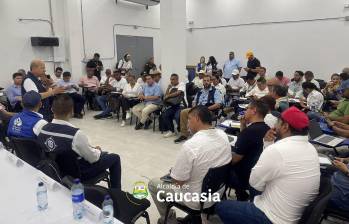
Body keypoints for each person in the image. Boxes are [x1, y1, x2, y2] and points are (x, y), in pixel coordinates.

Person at [216, 107, 320, 224]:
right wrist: (268, 144)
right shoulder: (311, 149)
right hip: (294, 213)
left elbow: (255, 184)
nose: (275, 126)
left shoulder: (278, 150)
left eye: (278, 123)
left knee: (222, 206)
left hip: (272, 218)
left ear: (285, 127)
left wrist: (269, 149)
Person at [148, 106, 231, 224]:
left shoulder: (191, 146)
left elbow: (178, 182)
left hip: (196, 199)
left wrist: (174, 174)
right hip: (217, 192)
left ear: (197, 119)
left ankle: (170, 221)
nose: (187, 123)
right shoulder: (223, 135)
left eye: (189, 119)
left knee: (153, 184)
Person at [37, 94, 121, 189]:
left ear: (52, 109)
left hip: (56, 171)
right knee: (114, 157)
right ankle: (116, 193)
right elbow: (93, 159)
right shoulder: (76, 134)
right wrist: (98, 152)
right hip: (78, 175)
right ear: (72, 111)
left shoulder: (43, 129)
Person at [230, 100, 270, 201]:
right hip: (256, 171)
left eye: (247, 108)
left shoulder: (249, 132)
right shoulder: (267, 129)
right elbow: (247, 143)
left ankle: (240, 193)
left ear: (254, 111)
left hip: (244, 175)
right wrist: (243, 124)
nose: (245, 111)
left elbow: (235, 159)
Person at [174, 75, 222, 143]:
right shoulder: (200, 91)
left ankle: (199, 136)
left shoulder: (215, 91)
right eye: (204, 81)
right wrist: (194, 107)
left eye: (208, 81)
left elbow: (218, 104)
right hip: (198, 108)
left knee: (198, 115)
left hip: (208, 110)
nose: (206, 82)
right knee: (183, 112)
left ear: (210, 81)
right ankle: (184, 134)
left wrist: (206, 108)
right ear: (202, 82)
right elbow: (194, 101)